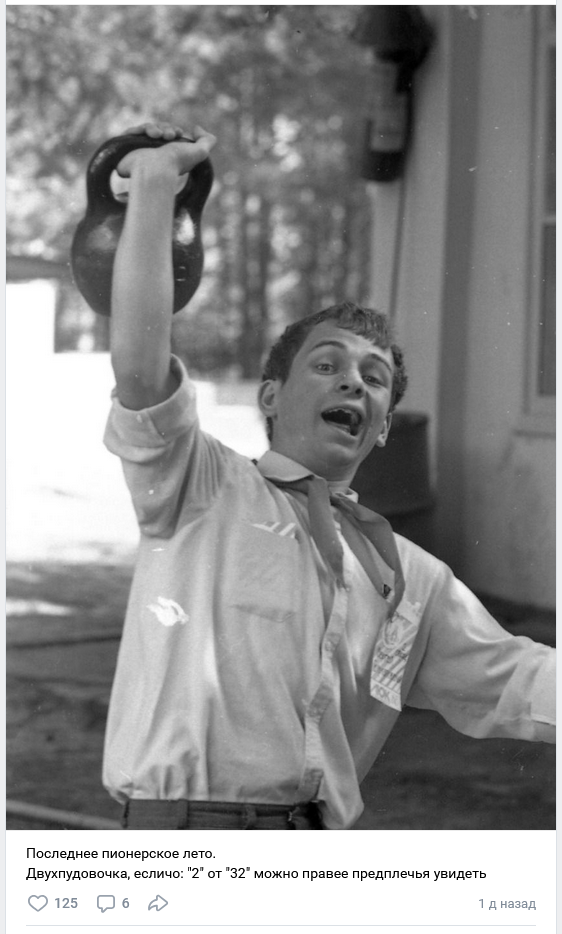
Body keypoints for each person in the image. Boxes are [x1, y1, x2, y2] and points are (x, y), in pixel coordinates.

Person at [102, 122, 555, 831]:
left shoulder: (411, 578)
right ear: (272, 395)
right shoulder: (200, 486)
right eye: (327, 364)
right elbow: (139, 367)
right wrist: (156, 186)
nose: (353, 382)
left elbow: (519, 677)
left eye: (374, 379)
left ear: (382, 427)